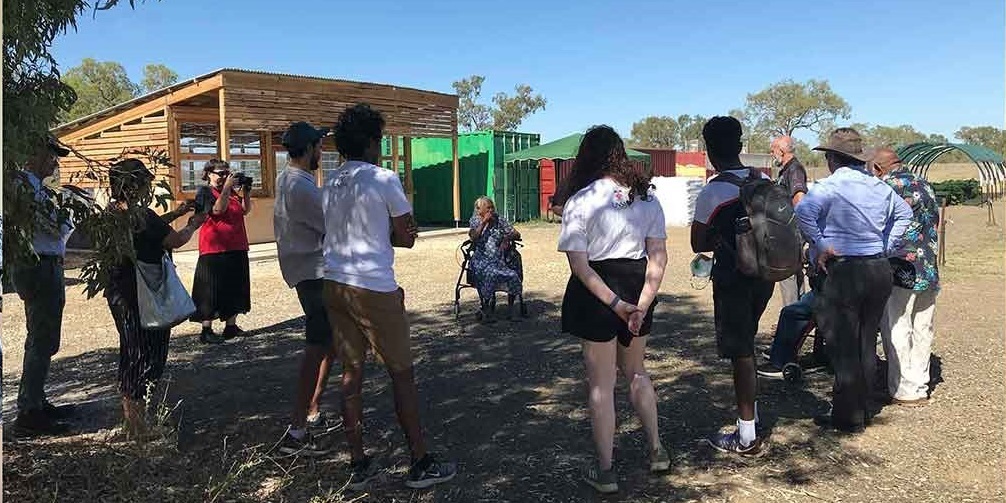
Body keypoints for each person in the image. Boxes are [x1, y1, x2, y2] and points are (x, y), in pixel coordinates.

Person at [322, 103, 457, 490]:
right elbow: (406, 235)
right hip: (373, 286)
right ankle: (419, 461)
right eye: (379, 139)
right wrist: (396, 235)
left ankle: (359, 462)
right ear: (370, 142)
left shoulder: (330, 182)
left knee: (351, 373)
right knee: (402, 374)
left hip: (334, 283)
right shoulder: (383, 179)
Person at [558, 125, 670, 494]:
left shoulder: (580, 200)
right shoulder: (647, 198)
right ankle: (656, 450)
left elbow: (581, 266)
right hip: (637, 285)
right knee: (637, 372)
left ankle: (606, 470)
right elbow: (657, 255)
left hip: (598, 295)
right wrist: (641, 303)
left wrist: (617, 305)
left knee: (601, 385)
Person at [796, 128, 913, 433]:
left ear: (833, 158)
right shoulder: (880, 187)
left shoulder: (829, 186)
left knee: (843, 346)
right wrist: (885, 246)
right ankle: (861, 408)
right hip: (877, 269)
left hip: (844, 269)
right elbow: (904, 215)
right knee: (865, 340)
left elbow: (803, 214)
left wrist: (820, 244)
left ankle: (848, 418)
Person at [104, 159, 205, 438]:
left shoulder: (112, 214)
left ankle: (132, 421)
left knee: (130, 351)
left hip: (119, 293)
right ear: (135, 185)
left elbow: (152, 229)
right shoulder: (142, 215)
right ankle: (137, 426)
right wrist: (193, 224)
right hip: (143, 293)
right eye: (146, 181)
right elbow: (174, 241)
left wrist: (175, 213)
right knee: (147, 355)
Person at [690, 116, 773, 455]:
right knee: (747, 343)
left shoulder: (713, 191)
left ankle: (747, 437)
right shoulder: (763, 180)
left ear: (709, 151)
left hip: (734, 278)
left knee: (740, 352)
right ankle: (749, 415)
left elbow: (698, 242)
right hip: (766, 274)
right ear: (740, 146)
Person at [273, 122, 341, 456]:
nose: (322, 152)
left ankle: (312, 410)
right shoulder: (301, 187)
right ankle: (296, 431)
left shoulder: (287, 179)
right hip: (315, 275)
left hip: (308, 272)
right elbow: (333, 226)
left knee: (329, 346)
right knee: (316, 348)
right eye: (319, 146)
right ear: (309, 148)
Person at [11, 136, 77, 436]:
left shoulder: (37, 188)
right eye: (52, 154)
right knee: (41, 337)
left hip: (46, 264)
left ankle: (36, 400)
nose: (55, 161)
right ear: (35, 153)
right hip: (38, 265)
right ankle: (29, 413)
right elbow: (47, 228)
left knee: (41, 336)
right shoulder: (22, 187)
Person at [872, 147, 940, 407]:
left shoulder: (887, 187)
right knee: (923, 327)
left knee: (897, 325)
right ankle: (920, 384)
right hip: (929, 269)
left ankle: (903, 388)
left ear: (879, 168)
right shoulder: (925, 184)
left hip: (901, 269)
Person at [190, 159, 252, 343]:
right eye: (221, 173)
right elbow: (217, 210)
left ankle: (231, 326)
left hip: (237, 245)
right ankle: (206, 329)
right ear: (209, 174)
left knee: (235, 286)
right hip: (214, 248)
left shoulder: (232, 192)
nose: (225, 176)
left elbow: (244, 210)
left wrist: (246, 193)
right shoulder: (205, 192)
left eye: (227, 173)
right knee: (210, 289)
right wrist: (226, 188)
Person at [467, 196, 523, 322]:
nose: (491, 211)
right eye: (488, 208)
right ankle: (486, 308)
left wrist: (506, 238)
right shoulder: (475, 221)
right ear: (479, 210)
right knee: (490, 274)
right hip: (481, 259)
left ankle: (511, 309)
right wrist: (484, 223)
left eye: (492, 208)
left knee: (513, 275)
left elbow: (516, 233)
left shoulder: (499, 219)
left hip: (499, 259)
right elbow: (474, 237)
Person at [770, 135, 809, 307]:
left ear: (782, 150)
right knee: (795, 276)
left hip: (790, 235)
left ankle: (791, 322)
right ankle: (799, 319)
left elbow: (800, 199)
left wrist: (793, 230)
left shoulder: (794, 170)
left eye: (773, 150)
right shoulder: (786, 170)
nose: (772, 154)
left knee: (787, 276)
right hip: (789, 233)